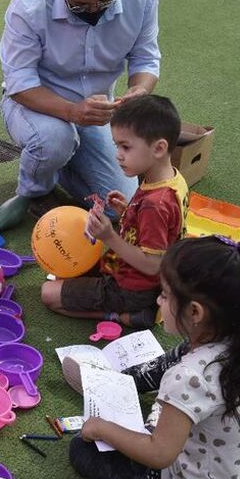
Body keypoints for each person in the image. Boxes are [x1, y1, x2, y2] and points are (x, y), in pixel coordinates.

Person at [68, 236, 240, 479]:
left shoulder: (189, 377)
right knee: (180, 354)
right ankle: (122, 381)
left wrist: (102, 428)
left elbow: (159, 453)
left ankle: (128, 393)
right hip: (234, 471)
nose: (159, 300)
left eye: (164, 294)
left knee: (82, 450)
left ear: (195, 312)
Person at [0, 0, 161, 232]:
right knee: (54, 139)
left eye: (104, 1)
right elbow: (19, 82)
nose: (93, 12)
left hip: (96, 114)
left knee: (117, 205)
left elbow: (146, 59)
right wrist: (71, 111)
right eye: (80, 5)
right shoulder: (27, 5)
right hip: (35, 106)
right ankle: (32, 189)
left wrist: (139, 90)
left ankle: (60, 164)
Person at [41, 95, 188, 329]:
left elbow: (152, 264)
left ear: (159, 148)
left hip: (134, 288)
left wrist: (109, 236)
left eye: (125, 147)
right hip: (125, 270)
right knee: (61, 275)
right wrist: (127, 213)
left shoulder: (156, 204)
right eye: (117, 145)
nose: (118, 154)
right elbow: (160, 233)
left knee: (48, 293)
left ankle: (128, 317)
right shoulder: (170, 180)